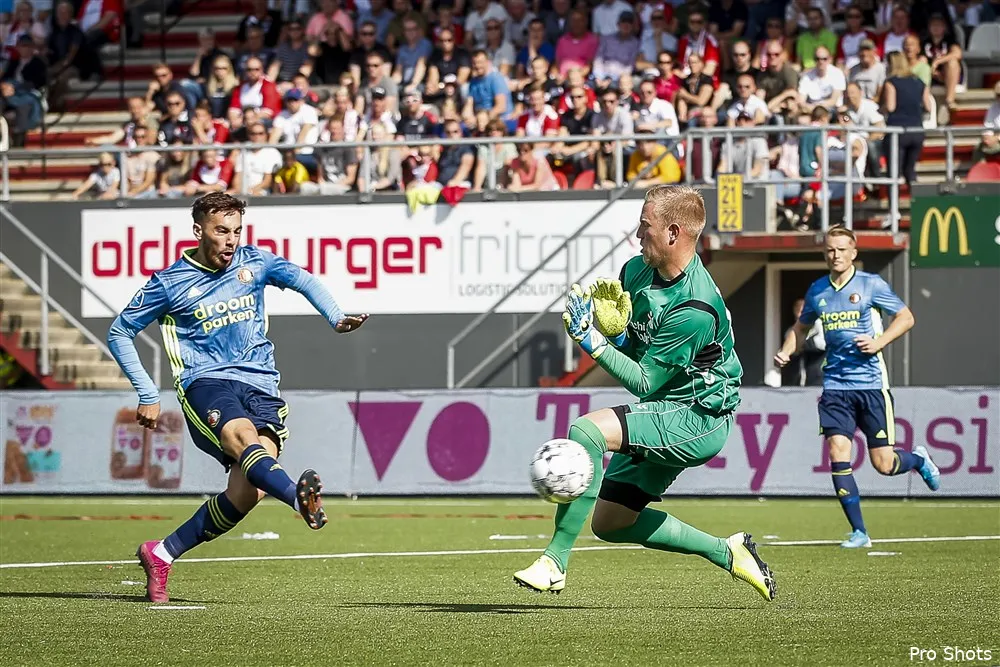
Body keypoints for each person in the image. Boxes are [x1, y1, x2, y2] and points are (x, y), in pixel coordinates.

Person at [513, 185, 776, 602]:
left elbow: (642, 381)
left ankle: (554, 562)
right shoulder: (636, 271)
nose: (637, 235)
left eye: (644, 226)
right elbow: (635, 355)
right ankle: (728, 552)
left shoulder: (695, 306)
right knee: (611, 522)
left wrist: (591, 340)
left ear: (673, 232)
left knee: (586, 433)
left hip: (699, 417)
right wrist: (616, 333)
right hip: (664, 407)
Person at [108, 193, 370, 603]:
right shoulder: (169, 282)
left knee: (248, 492)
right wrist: (146, 392)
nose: (230, 240)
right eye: (221, 231)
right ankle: (299, 501)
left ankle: (161, 553)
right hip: (205, 383)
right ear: (199, 231)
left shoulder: (256, 262)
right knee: (245, 439)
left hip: (261, 385)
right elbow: (119, 332)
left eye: (236, 231)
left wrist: (335, 317)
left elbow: (303, 279)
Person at [773, 226, 940, 549]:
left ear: (853, 253)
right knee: (838, 452)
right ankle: (859, 532)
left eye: (841, 249)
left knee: (884, 464)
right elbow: (801, 326)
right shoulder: (818, 290)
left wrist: (879, 342)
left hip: (871, 384)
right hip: (835, 385)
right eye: (830, 250)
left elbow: (905, 317)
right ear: (825, 254)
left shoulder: (870, 285)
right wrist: (786, 349)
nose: (835, 255)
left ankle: (917, 461)